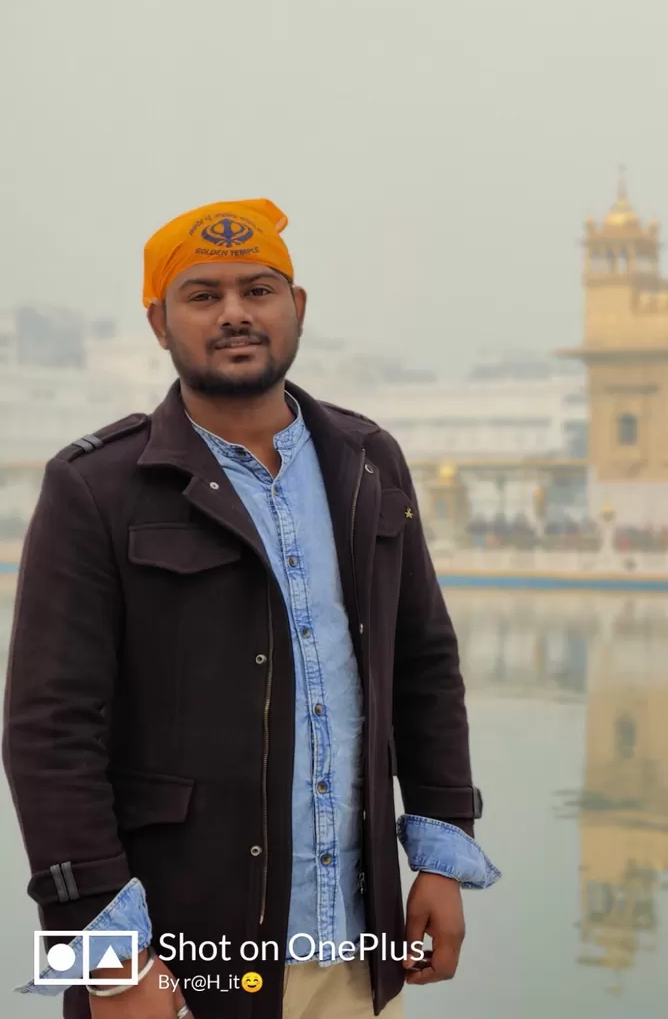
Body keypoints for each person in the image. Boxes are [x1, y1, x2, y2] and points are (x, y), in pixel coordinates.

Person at [3, 199, 500, 1019]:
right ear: (159, 322)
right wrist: (110, 958)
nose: (235, 314)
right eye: (202, 296)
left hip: (353, 953)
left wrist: (442, 852)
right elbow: (49, 733)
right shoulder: (99, 487)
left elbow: (423, 664)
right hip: (179, 963)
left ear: (295, 308)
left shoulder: (367, 460)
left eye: (258, 290)